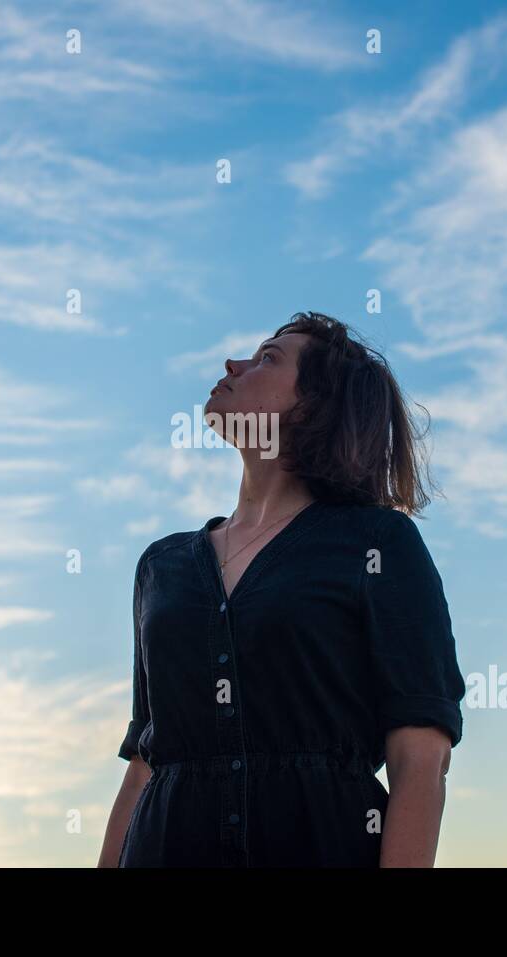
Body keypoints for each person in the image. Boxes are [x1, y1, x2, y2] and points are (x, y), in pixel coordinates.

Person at [97, 311, 465, 867]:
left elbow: (420, 758)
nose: (234, 364)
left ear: (316, 404)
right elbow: (145, 763)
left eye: (268, 358)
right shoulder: (161, 566)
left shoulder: (378, 543)